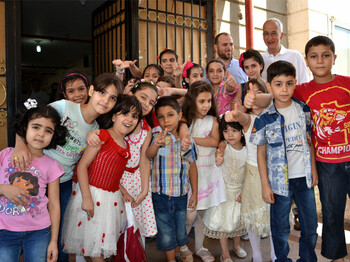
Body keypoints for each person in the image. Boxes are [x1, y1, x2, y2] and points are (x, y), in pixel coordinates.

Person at [11, 73, 123, 262]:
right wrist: (20, 145)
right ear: (91, 91)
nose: (105, 101)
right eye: (102, 93)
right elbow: (31, 122)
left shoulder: (96, 129)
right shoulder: (63, 107)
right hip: (35, 176)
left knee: (59, 234)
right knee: (23, 228)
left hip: (62, 184)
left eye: (112, 98)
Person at [250, 60, 318, 262]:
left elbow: (309, 141)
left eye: (289, 83)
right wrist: (265, 184)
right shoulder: (264, 118)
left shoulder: (303, 110)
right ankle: (282, 259)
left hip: (304, 179)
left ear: (295, 82)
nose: (285, 89)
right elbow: (260, 153)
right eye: (278, 84)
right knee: (280, 227)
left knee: (311, 226)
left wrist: (313, 169)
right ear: (269, 86)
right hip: (280, 183)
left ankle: (307, 259)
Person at [62, 95, 143, 261]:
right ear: (113, 116)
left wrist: (124, 192)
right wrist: (87, 198)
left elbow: (112, 173)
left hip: (111, 200)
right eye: (124, 113)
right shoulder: (102, 136)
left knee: (97, 246)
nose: (129, 119)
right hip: (92, 196)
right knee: (92, 248)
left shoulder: (126, 145)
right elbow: (83, 166)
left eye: (134, 116)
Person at [293, 36, 350, 261]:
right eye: (314, 56)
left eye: (325, 55)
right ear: (306, 61)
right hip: (327, 164)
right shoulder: (300, 91)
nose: (320, 61)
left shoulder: (347, 83)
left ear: (334, 58)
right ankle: (337, 256)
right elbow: (278, 97)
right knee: (332, 214)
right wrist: (253, 99)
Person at [0, 99, 67, 261]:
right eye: (36, 127)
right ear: (25, 127)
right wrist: (3, 188)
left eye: (48, 131)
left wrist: (53, 241)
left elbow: (54, 204)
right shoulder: (5, 155)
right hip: (5, 232)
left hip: (39, 233)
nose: (41, 134)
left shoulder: (53, 166)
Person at [224, 79, 276, 262]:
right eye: (248, 93)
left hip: (274, 172)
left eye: (257, 93)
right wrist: (236, 114)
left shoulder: (276, 116)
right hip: (253, 174)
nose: (252, 97)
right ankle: (258, 255)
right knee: (254, 218)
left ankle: (275, 255)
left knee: (273, 218)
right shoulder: (249, 120)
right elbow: (242, 117)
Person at [146, 96, 198, 262]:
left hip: (181, 194)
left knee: (180, 229)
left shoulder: (187, 141)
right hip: (160, 194)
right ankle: (171, 259)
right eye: (161, 116)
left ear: (179, 115)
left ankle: (177, 251)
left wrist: (195, 192)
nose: (165, 120)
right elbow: (148, 155)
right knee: (165, 230)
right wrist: (156, 144)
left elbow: (193, 168)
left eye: (170, 115)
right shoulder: (155, 135)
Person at [181, 81, 226, 262]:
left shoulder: (213, 120)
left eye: (208, 101)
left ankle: (199, 246)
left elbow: (215, 141)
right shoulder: (185, 121)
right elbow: (183, 136)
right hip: (192, 172)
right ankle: (183, 246)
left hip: (209, 171)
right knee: (189, 214)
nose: (206, 105)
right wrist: (188, 135)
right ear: (192, 101)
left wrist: (191, 139)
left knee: (202, 213)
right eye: (201, 101)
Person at [202, 118, 247, 262]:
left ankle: (237, 246)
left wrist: (244, 191)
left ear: (242, 132)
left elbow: (248, 172)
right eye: (226, 131)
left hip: (239, 191)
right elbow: (220, 147)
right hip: (224, 191)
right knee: (223, 223)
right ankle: (225, 253)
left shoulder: (247, 150)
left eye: (234, 130)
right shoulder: (225, 145)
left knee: (237, 221)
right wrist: (219, 154)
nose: (230, 135)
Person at [261, 18, 309, 84]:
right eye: (266, 34)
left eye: (274, 33)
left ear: (281, 35)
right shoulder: (260, 60)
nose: (270, 38)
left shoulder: (295, 56)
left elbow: (304, 82)